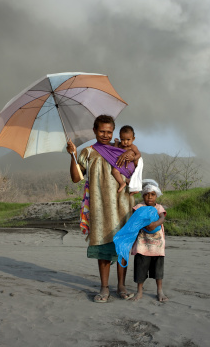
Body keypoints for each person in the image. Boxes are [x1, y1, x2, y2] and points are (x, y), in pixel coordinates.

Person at [67, 114, 136, 303]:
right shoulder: (88, 152)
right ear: (94, 131)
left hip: (122, 205)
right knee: (103, 247)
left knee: (122, 247)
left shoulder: (121, 148)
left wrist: (132, 154)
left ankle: (121, 286)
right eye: (102, 131)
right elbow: (76, 178)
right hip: (99, 207)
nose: (105, 135)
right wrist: (72, 155)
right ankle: (104, 288)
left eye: (109, 131)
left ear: (113, 131)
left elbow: (136, 164)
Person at [131, 180, 168, 302]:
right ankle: (139, 291)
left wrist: (155, 224)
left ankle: (159, 291)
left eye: (152, 194)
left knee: (158, 269)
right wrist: (145, 223)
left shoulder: (159, 207)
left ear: (156, 195)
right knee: (140, 268)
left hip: (157, 245)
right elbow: (135, 216)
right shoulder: (140, 207)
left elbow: (162, 217)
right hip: (143, 244)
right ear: (143, 195)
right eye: (147, 194)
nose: (150, 197)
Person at [112, 125, 141, 193]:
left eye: (128, 139)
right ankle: (132, 188)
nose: (125, 142)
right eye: (122, 139)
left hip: (130, 165)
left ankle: (122, 183)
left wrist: (133, 158)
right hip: (122, 165)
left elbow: (138, 154)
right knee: (125, 178)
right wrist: (116, 143)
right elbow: (115, 150)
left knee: (114, 171)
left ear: (133, 139)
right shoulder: (120, 146)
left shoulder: (133, 147)